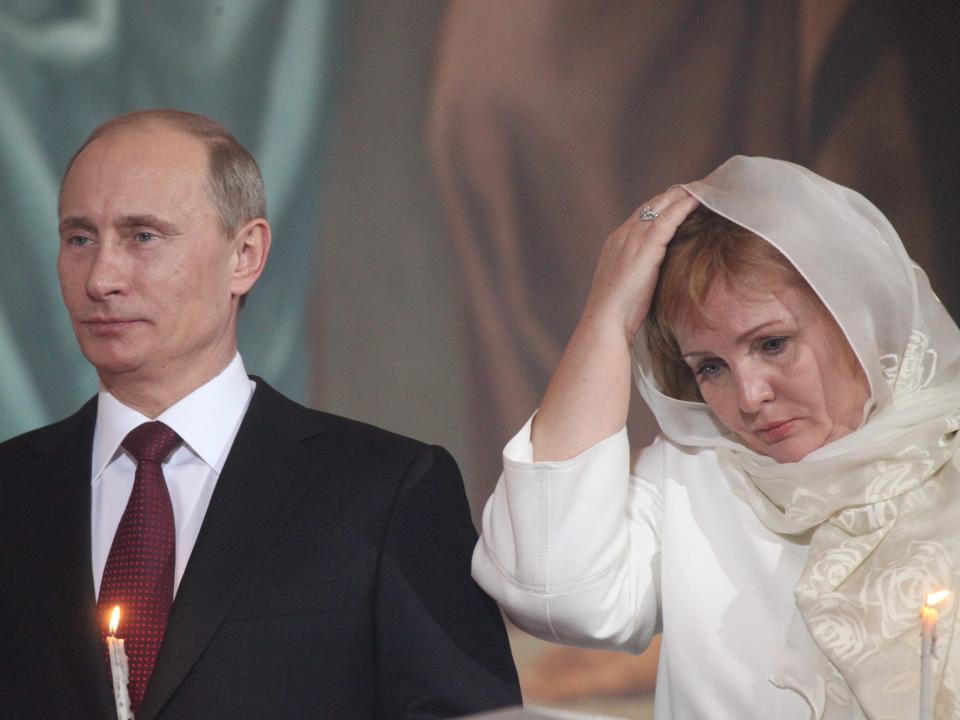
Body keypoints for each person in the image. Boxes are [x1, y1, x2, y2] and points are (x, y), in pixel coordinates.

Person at [0, 109, 520, 719]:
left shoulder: (386, 490)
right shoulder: (13, 487)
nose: (102, 277)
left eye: (143, 236)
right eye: (79, 239)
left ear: (244, 255)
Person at [473, 156, 960, 718]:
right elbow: (553, 592)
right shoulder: (695, 473)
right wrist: (606, 317)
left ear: (861, 310)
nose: (749, 397)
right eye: (710, 367)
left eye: (772, 344)